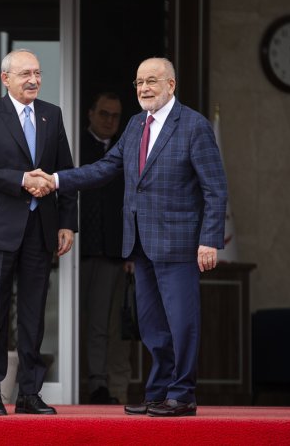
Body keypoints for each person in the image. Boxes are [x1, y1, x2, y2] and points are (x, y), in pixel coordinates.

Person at [32, 57, 227, 417]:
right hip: (140, 243)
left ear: (171, 85)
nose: (144, 88)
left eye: (152, 81)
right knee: (152, 325)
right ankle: (158, 393)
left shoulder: (194, 126)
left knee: (181, 322)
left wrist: (210, 239)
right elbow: (106, 168)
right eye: (139, 82)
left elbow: (215, 188)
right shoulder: (137, 124)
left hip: (179, 244)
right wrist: (57, 180)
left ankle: (182, 394)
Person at [0, 49, 77, 416]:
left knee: (33, 315)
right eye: (25, 74)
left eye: (37, 73)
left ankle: (30, 393)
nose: (33, 80)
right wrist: (22, 180)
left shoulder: (51, 114)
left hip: (40, 229)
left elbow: (65, 171)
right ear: (6, 79)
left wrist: (67, 222)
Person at [79, 92, 132, 405]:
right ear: (90, 114)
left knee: (106, 325)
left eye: (115, 116)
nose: (110, 120)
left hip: (113, 252)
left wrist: (131, 250)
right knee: (75, 322)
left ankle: (102, 386)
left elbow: (132, 202)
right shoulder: (77, 145)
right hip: (76, 251)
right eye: (104, 114)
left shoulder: (125, 149)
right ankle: (77, 383)